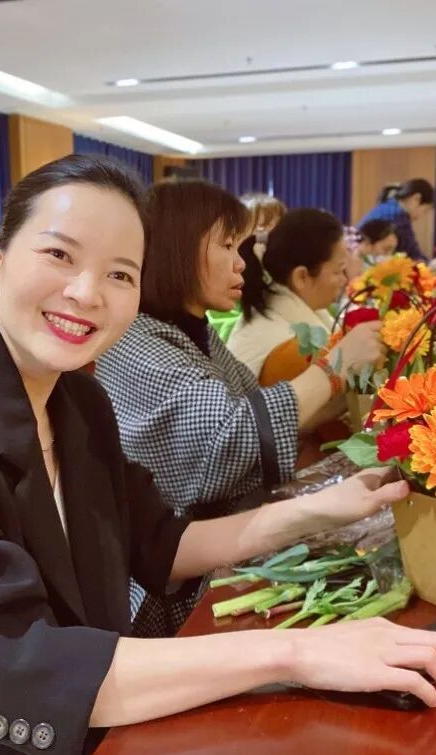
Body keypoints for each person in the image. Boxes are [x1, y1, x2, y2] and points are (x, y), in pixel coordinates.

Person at [0, 154, 436, 755]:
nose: (86, 293)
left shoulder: (79, 402)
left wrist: (328, 508)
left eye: (120, 274)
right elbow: (3, 662)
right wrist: (297, 652)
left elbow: (159, 542)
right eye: (59, 255)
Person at [96, 180, 383, 634]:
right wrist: (335, 368)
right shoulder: (137, 343)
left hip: (221, 544)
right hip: (170, 587)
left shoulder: (194, 330)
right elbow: (231, 435)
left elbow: (255, 405)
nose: (242, 262)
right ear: (178, 247)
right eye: (227, 245)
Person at [228, 208, 349, 382]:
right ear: (301, 276)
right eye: (338, 271)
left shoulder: (277, 312)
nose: (345, 280)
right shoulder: (291, 349)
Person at [206, 192, 287, 342]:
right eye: (260, 229)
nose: (267, 236)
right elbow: (220, 324)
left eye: (276, 228)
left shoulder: (286, 271)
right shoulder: (228, 272)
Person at [358, 178, 435, 262]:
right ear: (416, 198)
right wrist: (430, 266)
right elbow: (414, 257)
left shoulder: (387, 206)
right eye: (425, 210)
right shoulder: (398, 217)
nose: (421, 216)